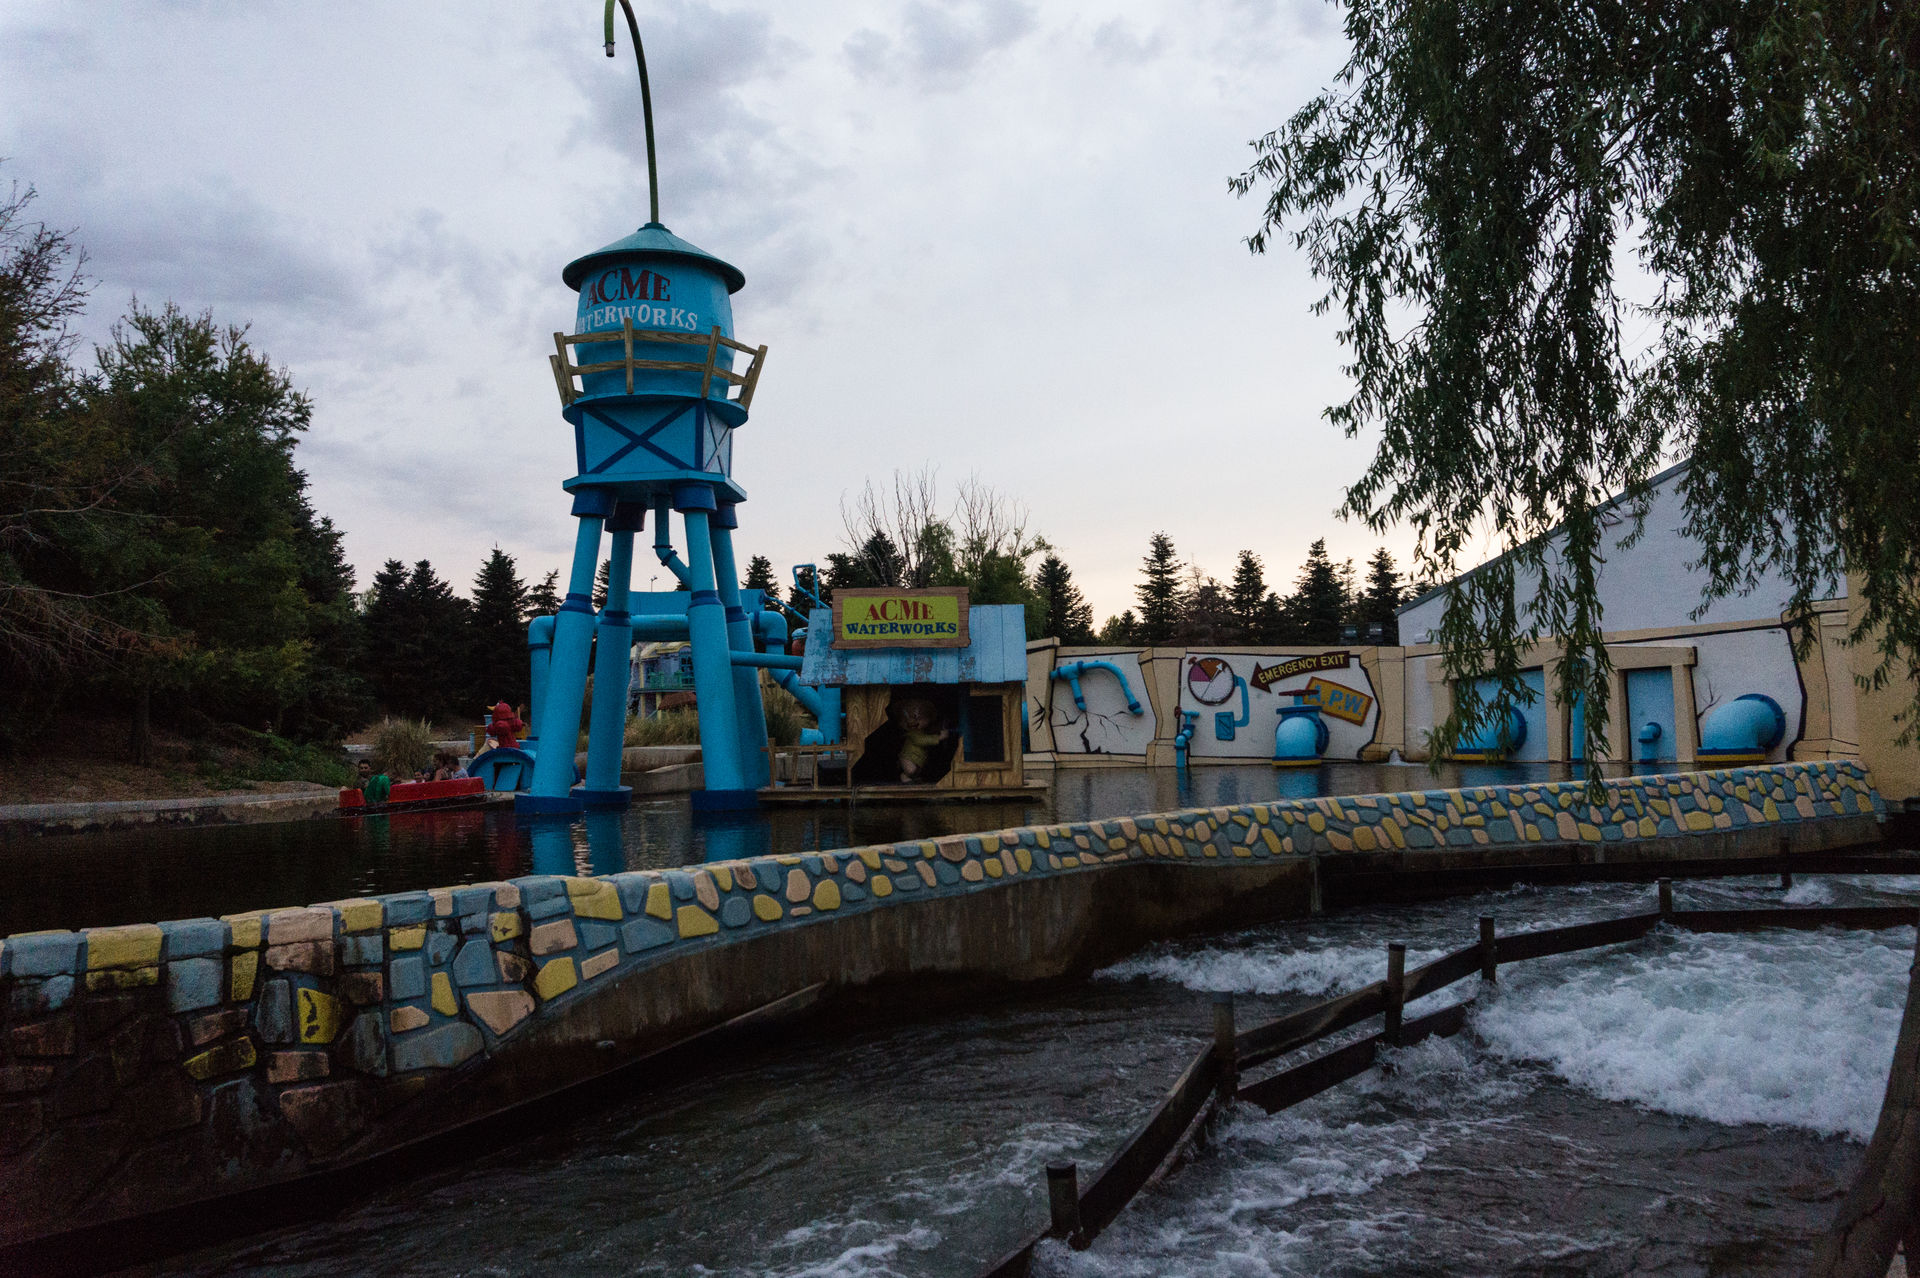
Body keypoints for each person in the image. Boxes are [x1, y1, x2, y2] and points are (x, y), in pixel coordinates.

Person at [894, 697, 953, 784]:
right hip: (908, 757)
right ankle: (904, 776)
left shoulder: (923, 731)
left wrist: (941, 731)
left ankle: (912, 779)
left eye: (917, 718)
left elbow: (929, 733)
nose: (911, 721)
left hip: (919, 758)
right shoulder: (912, 734)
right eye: (905, 719)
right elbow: (921, 740)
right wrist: (939, 738)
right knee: (911, 770)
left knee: (917, 770)